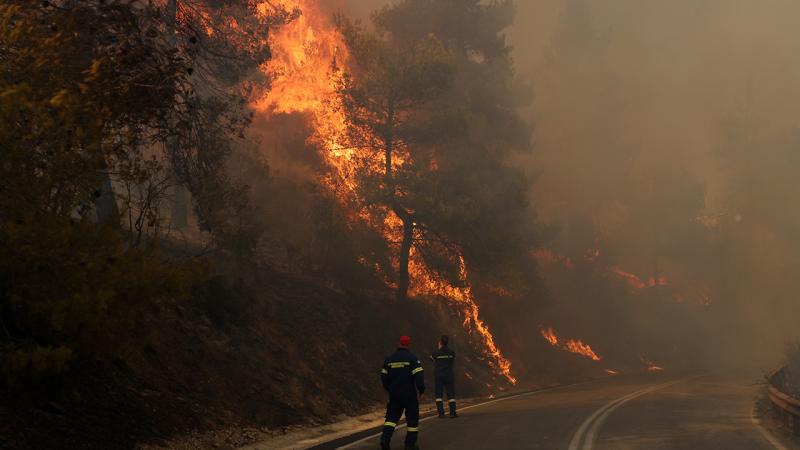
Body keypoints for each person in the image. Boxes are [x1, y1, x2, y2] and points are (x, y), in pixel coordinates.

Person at [380, 335, 425, 450]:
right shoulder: (412, 359)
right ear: (408, 345)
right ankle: (409, 444)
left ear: (399, 344)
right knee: (412, 420)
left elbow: (384, 377)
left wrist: (390, 389)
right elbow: (419, 377)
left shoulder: (389, 359)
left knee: (391, 419)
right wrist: (421, 390)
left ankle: (385, 440)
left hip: (394, 395)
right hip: (409, 394)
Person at [430, 334, 457, 418]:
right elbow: (452, 359)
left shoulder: (435, 353)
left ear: (440, 342)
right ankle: (452, 413)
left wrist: (439, 350)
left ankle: (441, 414)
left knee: (439, 395)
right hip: (449, 375)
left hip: (439, 376)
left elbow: (431, 359)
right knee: (451, 395)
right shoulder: (451, 352)